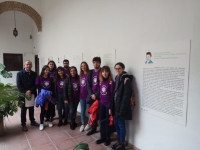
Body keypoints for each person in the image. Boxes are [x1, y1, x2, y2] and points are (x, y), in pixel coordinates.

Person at [111, 62, 133, 150]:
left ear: (123, 69)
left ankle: (122, 144)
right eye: (116, 68)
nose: (117, 70)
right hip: (116, 105)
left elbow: (126, 96)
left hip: (121, 106)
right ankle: (119, 141)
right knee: (116, 123)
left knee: (121, 124)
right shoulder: (117, 78)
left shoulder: (126, 79)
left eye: (119, 68)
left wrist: (122, 109)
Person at [16, 60, 39, 131]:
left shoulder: (34, 74)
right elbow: (19, 85)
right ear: (24, 65)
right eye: (27, 64)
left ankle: (32, 121)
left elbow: (36, 84)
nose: (28, 65)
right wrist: (26, 91)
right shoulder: (19, 73)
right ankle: (23, 124)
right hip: (23, 94)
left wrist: (31, 91)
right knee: (23, 109)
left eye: (30, 64)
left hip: (32, 94)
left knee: (31, 108)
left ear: (31, 66)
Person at [96, 66, 114, 146]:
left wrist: (110, 107)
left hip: (108, 105)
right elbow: (100, 93)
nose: (104, 73)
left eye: (106, 72)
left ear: (109, 72)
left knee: (107, 122)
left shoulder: (111, 82)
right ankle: (102, 137)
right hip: (102, 104)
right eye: (103, 72)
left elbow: (112, 96)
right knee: (101, 121)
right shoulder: (101, 82)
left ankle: (107, 137)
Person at [35, 65, 55, 130]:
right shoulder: (39, 77)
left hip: (49, 96)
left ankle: (48, 121)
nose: (47, 71)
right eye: (46, 70)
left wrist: (50, 95)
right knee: (43, 110)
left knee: (49, 110)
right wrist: (43, 95)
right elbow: (38, 87)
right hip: (42, 96)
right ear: (43, 70)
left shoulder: (51, 78)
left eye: (48, 70)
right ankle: (41, 123)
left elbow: (52, 87)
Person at [86, 57, 101, 135]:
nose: (96, 64)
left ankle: (102, 130)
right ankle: (93, 128)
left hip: (100, 97)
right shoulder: (90, 72)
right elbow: (88, 84)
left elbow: (103, 85)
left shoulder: (102, 71)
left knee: (100, 114)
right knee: (93, 113)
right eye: (94, 62)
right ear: (93, 63)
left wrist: (96, 95)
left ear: (100, 63)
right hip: (92, 97)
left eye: (97, 62)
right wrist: (92, 94)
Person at [79, 61, 90, 132]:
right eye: (82, 66)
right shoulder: (80, 75)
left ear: (87, 66)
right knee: (82, 110)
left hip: (88, 95)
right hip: (81, 95)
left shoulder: (89, 74)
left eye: (84, 65)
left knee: (89, 110)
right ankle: (83, 124)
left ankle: (89, 123)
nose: (83, 67)